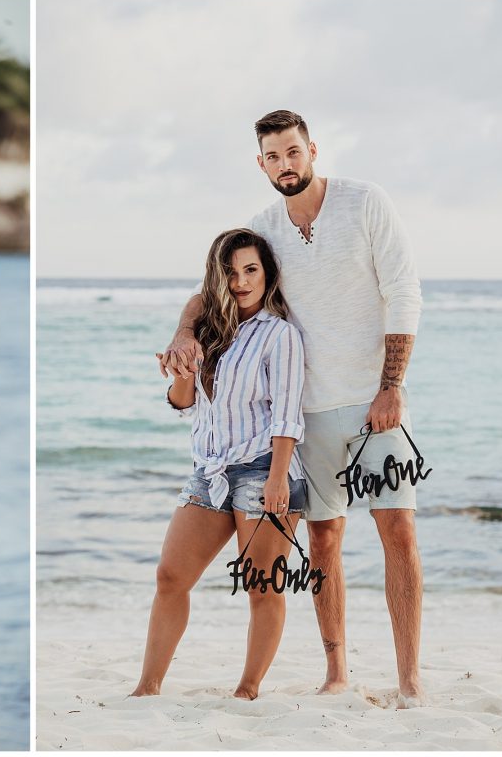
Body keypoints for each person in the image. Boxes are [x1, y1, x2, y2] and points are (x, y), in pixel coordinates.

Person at [159, 110, 425, 706]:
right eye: (273, 157)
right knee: (325, 541)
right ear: (261, 164)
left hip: (372, 402)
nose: (285, 165)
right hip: (306, 415)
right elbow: (212, 286)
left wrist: (394, 384)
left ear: (312, 150)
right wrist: (184, 331)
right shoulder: (264, 227)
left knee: (398, 532)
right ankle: (337, 673)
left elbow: (402, 289)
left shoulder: (364, 202)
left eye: (293, 152)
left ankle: (410, 678)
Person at [132, 228, 306, 699]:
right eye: (231, 273)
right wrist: (183, 373)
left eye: (251, 270)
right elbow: (185, 405)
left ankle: (247, 690)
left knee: (261, 588)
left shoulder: (280, 334)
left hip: (264, 468)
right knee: (171, 576)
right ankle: (147, 689)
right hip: (209, 470)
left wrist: (277, 481)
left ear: (267, 273)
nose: (242, 281)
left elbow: (288, 414)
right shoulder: (208, 331)